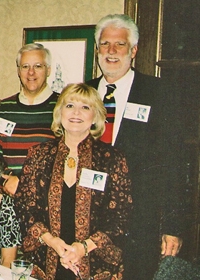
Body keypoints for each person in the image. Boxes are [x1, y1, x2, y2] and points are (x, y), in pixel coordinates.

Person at [86, 14, 188, 279]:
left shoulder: (159, 93)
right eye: (105, 44)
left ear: (133, 50)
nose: (111, 51)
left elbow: (175, 164)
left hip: (139, 225)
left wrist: (173, 226)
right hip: (85, 221)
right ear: (97, 49)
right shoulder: (81, 94)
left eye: (119, 45)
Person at [15, 83, 132, 280]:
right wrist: (52, 241)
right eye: (69, 106)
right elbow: (24, 206)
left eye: (85, 107)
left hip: (94, 263)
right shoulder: (38, 155)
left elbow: (121, 216)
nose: (76, 113)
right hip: (46, 258)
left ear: (95, 116)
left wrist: (83, 248)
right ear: (59, 112)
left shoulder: (112, 159)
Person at [0, 43, 59, 195]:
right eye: (25, 67)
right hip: (9, 200)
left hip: (47, 200)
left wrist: (29, 184)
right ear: (18, 71)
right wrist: (6, 180)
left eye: (38, 66)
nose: (31, 72)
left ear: (48, 70)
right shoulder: (3, 109)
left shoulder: (63, 108)